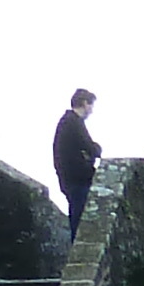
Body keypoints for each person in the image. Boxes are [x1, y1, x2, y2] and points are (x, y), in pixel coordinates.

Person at [53, 88, 101, 232]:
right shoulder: (73, 122)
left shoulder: (67, 122)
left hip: (70, 179)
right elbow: (92, 148)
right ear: (85, 103)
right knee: (81, 223)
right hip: (77, 180)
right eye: (91, 105)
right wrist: (93, 151)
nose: (92, 110)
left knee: (78, 219)